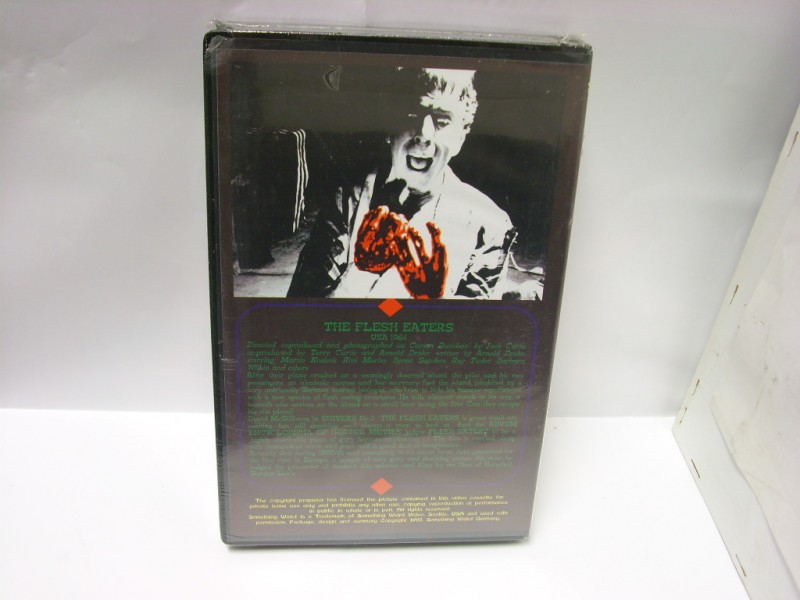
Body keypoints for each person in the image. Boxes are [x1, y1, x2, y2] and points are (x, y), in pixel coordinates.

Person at [288, 68, 516, 299]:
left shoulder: (487, 226)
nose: (424, 134)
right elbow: (300, 313)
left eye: (442, 121)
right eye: (411, 116)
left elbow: (475, 322)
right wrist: (363, 272)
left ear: (461, 135)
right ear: (388, 127)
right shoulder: (346, 204)